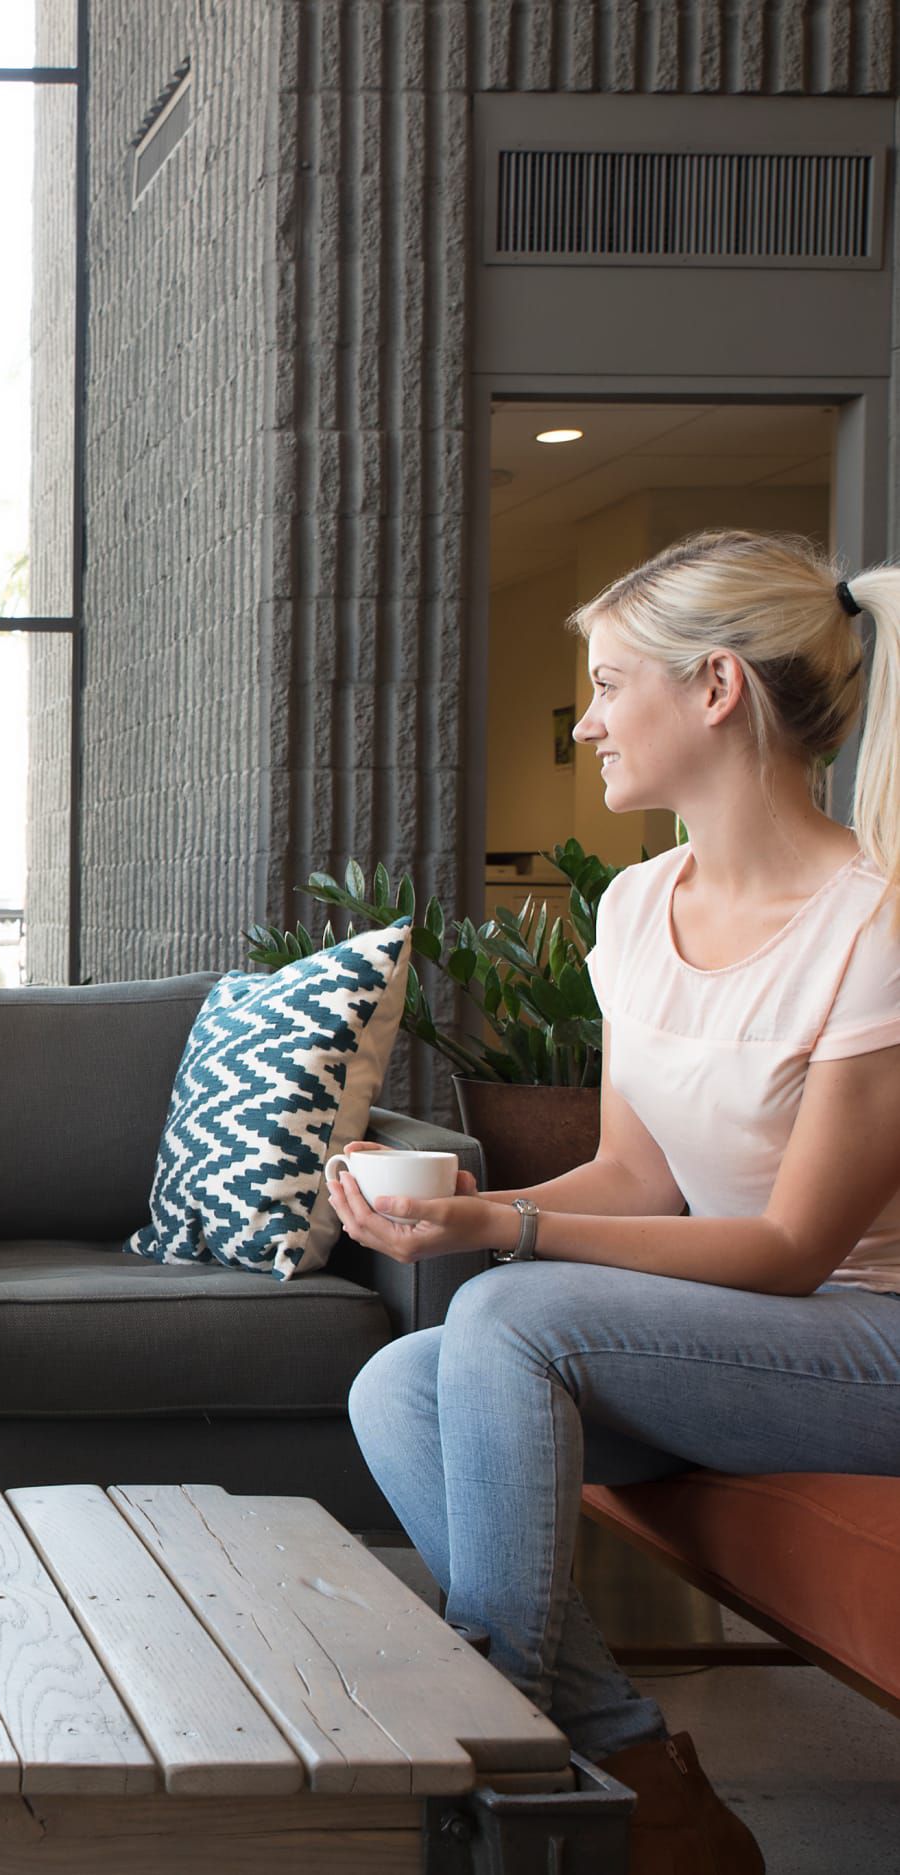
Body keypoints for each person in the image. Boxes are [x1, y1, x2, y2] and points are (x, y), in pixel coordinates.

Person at [337, 530, 900, 1875]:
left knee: (514, 1312)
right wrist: (482, 1199)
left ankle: (503, 1763)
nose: (585, 719)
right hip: (731, 1338)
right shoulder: (640, 905)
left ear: (715, 687)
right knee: (397, 1384)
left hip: (867, 1339)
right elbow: (640, 1174)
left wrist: (505, 1233)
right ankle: (639, 1773)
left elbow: (792, 1245)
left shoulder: (874, 922)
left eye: (607, 683)